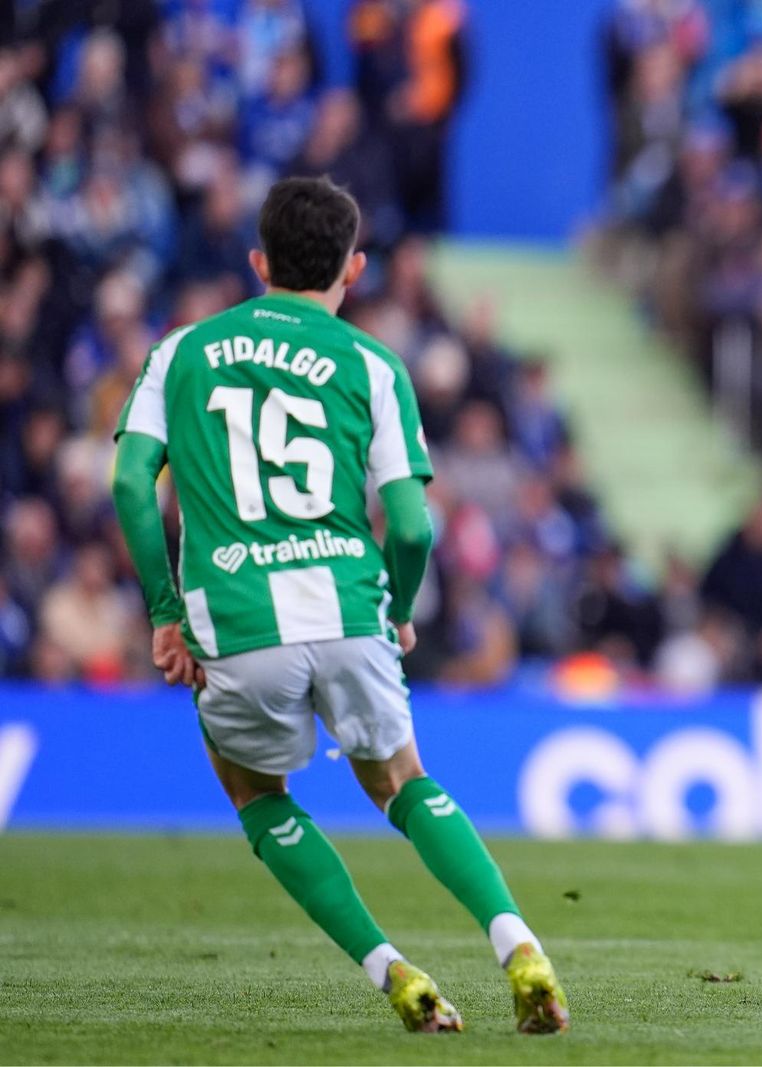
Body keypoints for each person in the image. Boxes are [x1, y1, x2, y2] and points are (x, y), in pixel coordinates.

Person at [109, 176, 568, 1034]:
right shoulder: (374, 365)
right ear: (354, 269)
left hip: (237, 621)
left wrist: (165, 610)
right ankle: (518, 944)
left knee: (257, 792)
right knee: (400, 780)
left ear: (258, 262)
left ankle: (393, 971)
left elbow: (131, 484)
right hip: (350, 607)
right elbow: (413, 525)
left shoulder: (179, 351)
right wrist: (393, 604)